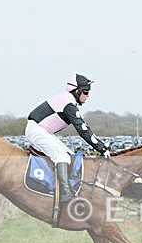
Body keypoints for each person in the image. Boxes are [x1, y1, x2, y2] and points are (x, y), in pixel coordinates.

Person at [26, 74, 110, 203]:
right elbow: (83, 129)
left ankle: (67, 188)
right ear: (77, 91)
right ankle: (65, 193)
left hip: (43, 130)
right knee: (62, 157)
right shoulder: (68, 104)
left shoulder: (68, 100)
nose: (88, 96)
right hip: (37, 130)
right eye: (86, 92)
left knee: (69, 155)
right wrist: (102, 148)